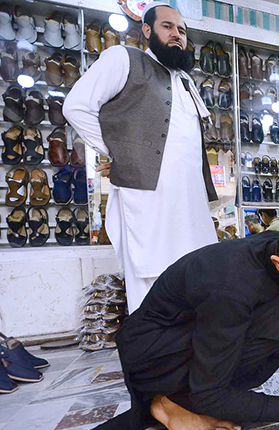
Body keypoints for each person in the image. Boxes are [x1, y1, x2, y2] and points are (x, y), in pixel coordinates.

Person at [39, 197, 279, 430]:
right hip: (153, 354)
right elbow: (211, 394)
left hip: (202, 338)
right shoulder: (231, 285)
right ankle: (164, 402)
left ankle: (184, 397)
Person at [63, 2, 217, 314]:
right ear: (147, 31)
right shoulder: (123, 58)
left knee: (198, 271)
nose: (177, 34)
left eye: (182, 31)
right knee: (151, 274)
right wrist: (116, 152)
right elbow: (76, 106)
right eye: (168, 27)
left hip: (190, 200)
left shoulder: (186, 81)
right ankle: (153, 355)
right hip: (148, 197)